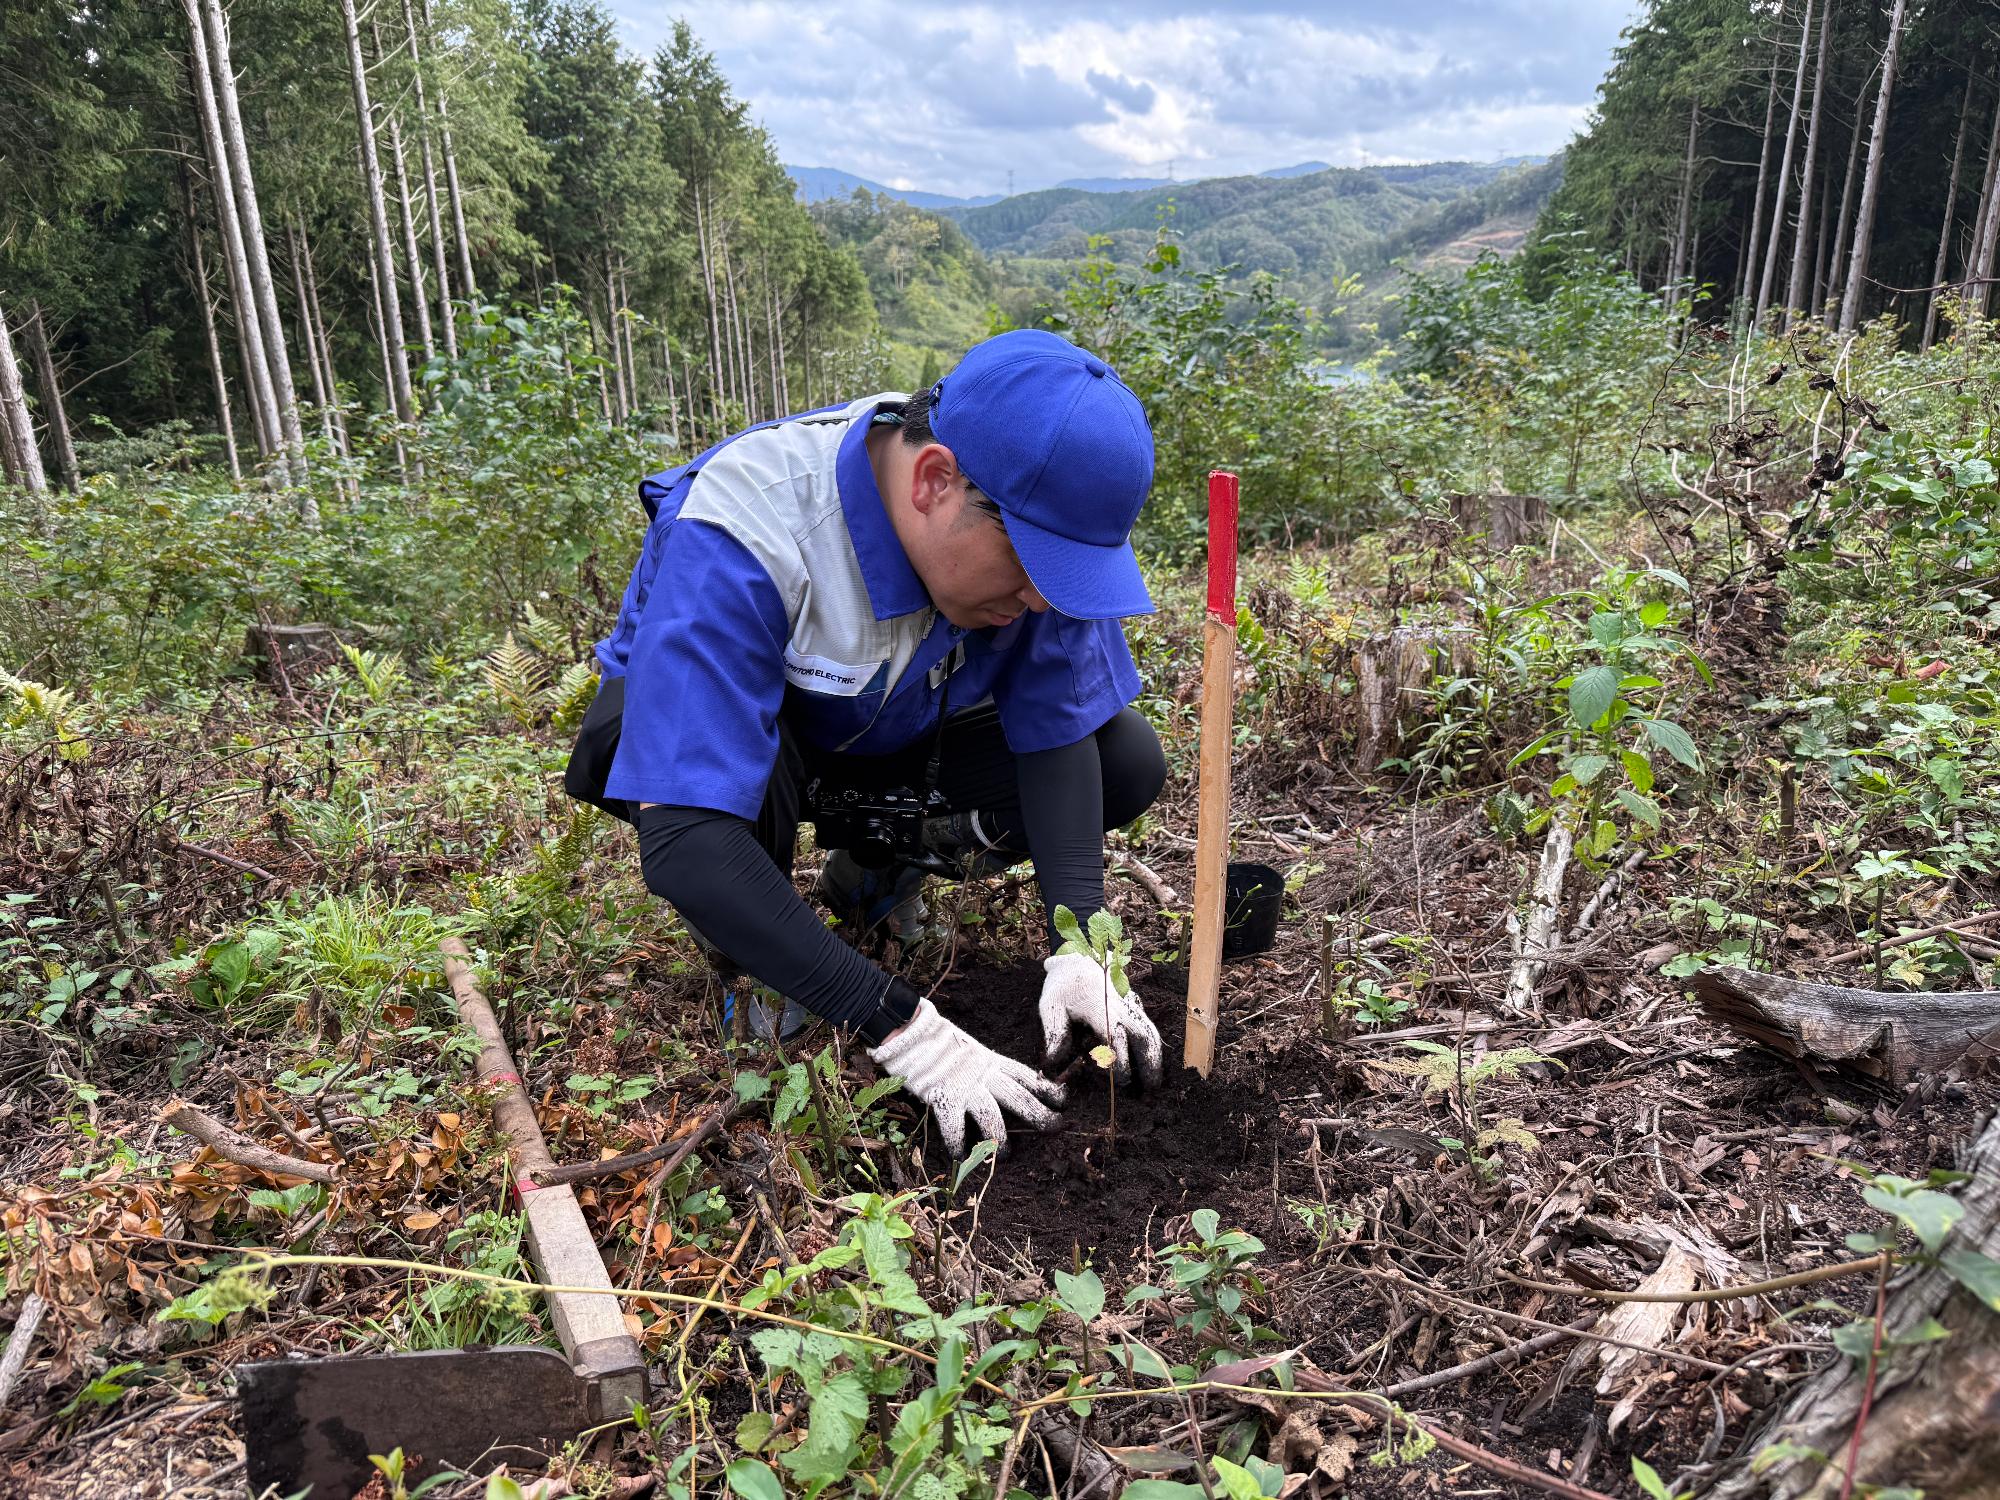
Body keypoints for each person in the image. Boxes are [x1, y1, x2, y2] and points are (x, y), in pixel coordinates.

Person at [565, 329, 1168, 1156]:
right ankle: (763, 962)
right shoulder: (751, 526)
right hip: (739, 765)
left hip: (894, 733)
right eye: (1032, 564)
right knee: (701, 792)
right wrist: (906, 1028)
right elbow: (687, 841)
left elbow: (1058, 731)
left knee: (1122, 760)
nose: (1040, 597)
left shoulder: (1024, 533)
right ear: (935, 482)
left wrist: (1083, 941)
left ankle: (878, 871)